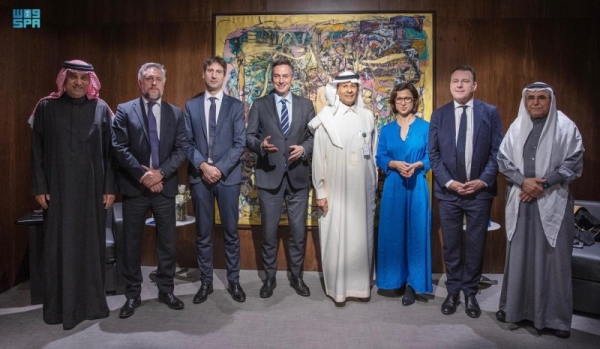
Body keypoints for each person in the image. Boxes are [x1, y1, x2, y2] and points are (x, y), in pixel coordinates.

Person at [30, 60, 116, 330]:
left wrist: (110, 187)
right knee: (57, 247)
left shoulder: (101, 109)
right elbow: (36, 151)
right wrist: (39, 186)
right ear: (63, 80)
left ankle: (91, 305)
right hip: (56, 193)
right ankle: (58, 308)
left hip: (91, 193)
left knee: (90, 247)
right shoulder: (46, 107)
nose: (78, 83)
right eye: (73, 78)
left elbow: (110, 155)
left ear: (91, 82)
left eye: (83, 78)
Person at [495, 82, 583, 339]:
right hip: (522, 202)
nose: (535, 102)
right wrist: (524, 181)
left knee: (553, 261)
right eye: (531, 98)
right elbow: (503, 159)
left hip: (553, 200)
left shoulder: (566, 128)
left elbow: (574, 162)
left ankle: (554, 320)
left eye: (541, 98)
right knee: (520, 256)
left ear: (551, 100)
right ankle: (515, 311)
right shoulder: (517, 126)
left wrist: (542, 184)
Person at [112, 62, 187, 318]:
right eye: (149, 78)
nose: (153, 83)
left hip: (164, 187)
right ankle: (132, 295)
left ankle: (166, 290)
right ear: (140, 82)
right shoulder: (124, 111)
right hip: (135, 188)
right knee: (131, 243)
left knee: (167, 243)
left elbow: (182, 149)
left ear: (164, 83)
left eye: (158, 79)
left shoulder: (175, 113)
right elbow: (119, 148)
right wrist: (145, 176)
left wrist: (161, 173)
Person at [428, 65, 503, 318]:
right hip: (448, 193)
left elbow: (497, 152)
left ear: (474, 86)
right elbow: (434, 154)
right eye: (455, 81)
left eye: (465, 81)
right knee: (450, 245)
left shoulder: (490, 112)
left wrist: (482, 181)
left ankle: (470, 293)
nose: (459, 85)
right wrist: (449, 182)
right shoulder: (439, 115)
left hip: (479, 193)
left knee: (474, 244)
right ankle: (453, 291)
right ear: (450, 85)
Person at [246, 58, 316, 298]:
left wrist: (305, 149)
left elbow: (313, 136)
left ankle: (296, 277)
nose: (281, 80)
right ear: (272, 78)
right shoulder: (259, 104)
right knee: (268, 232)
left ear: (292, 78)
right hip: (269, 176)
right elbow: (249, 137)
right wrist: (260, 146)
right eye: (277, 76)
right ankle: (270, 279)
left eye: (285, 76)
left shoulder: (306, 105)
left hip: (297, 177)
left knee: (298, 231)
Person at [309, 71, 378, 304]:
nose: (349, 90)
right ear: (336, 89)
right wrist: (321, 191)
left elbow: (373, 152)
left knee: (361, 237)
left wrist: (373, 186)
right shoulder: (326, 117)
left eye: (353, 86)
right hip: (335, 189)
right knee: (336, 236)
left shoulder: (368, 116)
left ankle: (360, 288)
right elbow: (318, 156)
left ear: (358, 89)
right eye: (344, 86)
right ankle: (338, 289)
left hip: (362, 189)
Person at [184, 56, 247, 303]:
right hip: (200, 178)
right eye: (209, 70)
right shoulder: (191, 106)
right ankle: (206, 282)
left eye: (218, 71)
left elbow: (240, 143)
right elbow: (186, 143)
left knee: (231, 232)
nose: (213, 75)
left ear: (224, 76)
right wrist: (202, 166)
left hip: (227, 178)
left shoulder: (234, 105)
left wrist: (217, 169)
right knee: (203, 232)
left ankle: (234, 282)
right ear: (204, 74)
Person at [375, 82, 432, 306]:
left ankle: (413, 283)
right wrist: (394, 163)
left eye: (407, 99)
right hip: (393, 186)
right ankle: (395, 279)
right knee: (393, 231)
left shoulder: (426, 127)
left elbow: (432, 156)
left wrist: (419, 164)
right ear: (393, 102)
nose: (403, 103)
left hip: (417, 185)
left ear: (414, 101)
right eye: (399, 99)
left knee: (417, 232)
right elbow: (380, 157)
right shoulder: (387, 130)